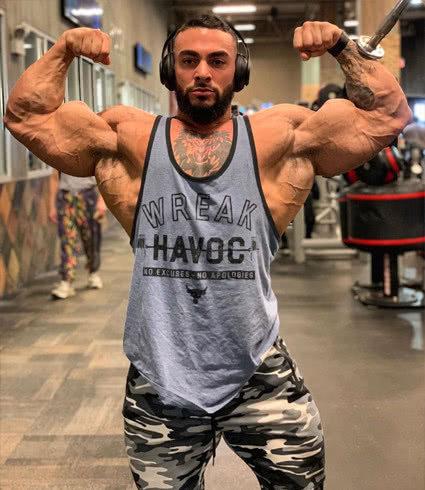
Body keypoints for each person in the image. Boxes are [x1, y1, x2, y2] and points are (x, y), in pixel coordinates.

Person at [4, 14, 411, 489]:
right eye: (188, 60)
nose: (202, 72)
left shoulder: (280, 136)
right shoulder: (127, 137)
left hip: (257, 368)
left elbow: (387, 116)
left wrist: (342, 46)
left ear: (238, 71)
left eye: (217, 61)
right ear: (169, 70)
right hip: (159, 375)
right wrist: (63, 49)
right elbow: (26, 117)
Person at [48, 170, 107, 299]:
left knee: (91, 238)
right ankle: (66, 281)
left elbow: (103, 174)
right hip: (65, 198)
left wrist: (102, 201)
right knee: (67, 240)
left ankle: (93, 272)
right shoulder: (61, 156)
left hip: (88, 196)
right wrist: (52, 206)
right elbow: (54, 177)